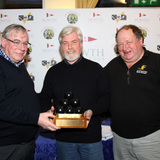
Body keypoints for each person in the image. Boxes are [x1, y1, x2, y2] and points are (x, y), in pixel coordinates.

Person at [39, 25, 110, 160]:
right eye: (65, 43)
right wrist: (47, 111)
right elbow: (43, 98)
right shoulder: (53, 72)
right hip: (63, 139)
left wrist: (92, 111)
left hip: (91, 138)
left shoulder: (95, 69)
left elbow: (106, 98)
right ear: (61, 47)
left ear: (81, 44)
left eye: (74, 42)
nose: (70, 47)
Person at [0, 24, 60, 160]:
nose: (22, 48)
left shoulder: (18, 65)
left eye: (25, 43)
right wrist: (37, 118)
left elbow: (24, 98)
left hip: (26, 145)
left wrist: (46, 110)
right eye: (16, 42)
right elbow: (2, 106)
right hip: (7, 148)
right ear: (3, 42)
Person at [104, 24, 160, 160]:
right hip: (119, 140)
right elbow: (96, 91)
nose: (124, 48)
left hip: (151, 140)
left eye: (129, 42)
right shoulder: (112, 67)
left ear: (140, 40)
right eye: (120, 44)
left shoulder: (157, 62)